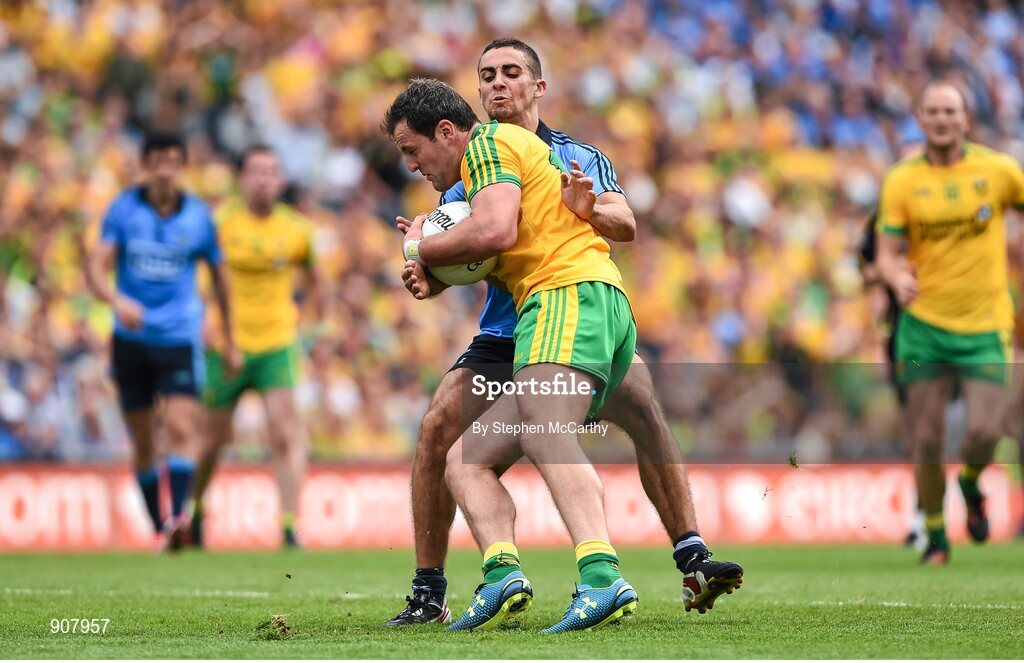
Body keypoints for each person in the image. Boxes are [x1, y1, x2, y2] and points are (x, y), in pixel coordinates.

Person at [384, 39, 741, 628]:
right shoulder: (466, 169)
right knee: (448, 441)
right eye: (487, 75)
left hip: (563, 302)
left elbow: (609, 222)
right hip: (523, 318)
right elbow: (473, 255)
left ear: (537, 86)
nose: (498, 83)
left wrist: (587, 209)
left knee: (629, 412)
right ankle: (443, 585)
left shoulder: (569, 155)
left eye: (511, 72)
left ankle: (674, 557)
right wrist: (430, 275)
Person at [876, 81, 1024, 564]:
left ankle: (971, 481)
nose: (941, 118)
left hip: (985, 325)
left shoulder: (999, 171)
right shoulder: (902, 180)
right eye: (933, 110)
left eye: (950, 111)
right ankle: (937, 534)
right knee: (927, 437)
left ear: (965, 119)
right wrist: (897, 278)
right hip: (923, 326)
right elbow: (886, 255)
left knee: (984, 432)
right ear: (921, 118)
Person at [86, 131, 236, 551]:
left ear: (182, 166)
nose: (166, 169)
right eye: (159, 160)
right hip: (130, 337)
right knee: (143, 438)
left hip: (178, 335)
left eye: (174, 160)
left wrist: (230, 336)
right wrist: (117, 300)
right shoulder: (123, 209)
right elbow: (95, 269)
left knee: (181, 424)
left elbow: (220, 276)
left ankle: (179, 517)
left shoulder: (199, 217)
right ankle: (159, 526)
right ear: (147, 165)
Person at [190, 145, 327, 549]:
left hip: (277, 342)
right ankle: (196, 509)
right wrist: (203, 323)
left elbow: (318, 282)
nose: (263, 178)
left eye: (271, 171)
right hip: (226, 342)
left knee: (285, 434)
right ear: (242, 178)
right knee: (212, 441)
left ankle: (288, 524)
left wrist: (315, 325)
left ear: (281, 180)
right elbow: (196, 277)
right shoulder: (219, 223)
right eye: (256, 171)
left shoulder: (298, 230)